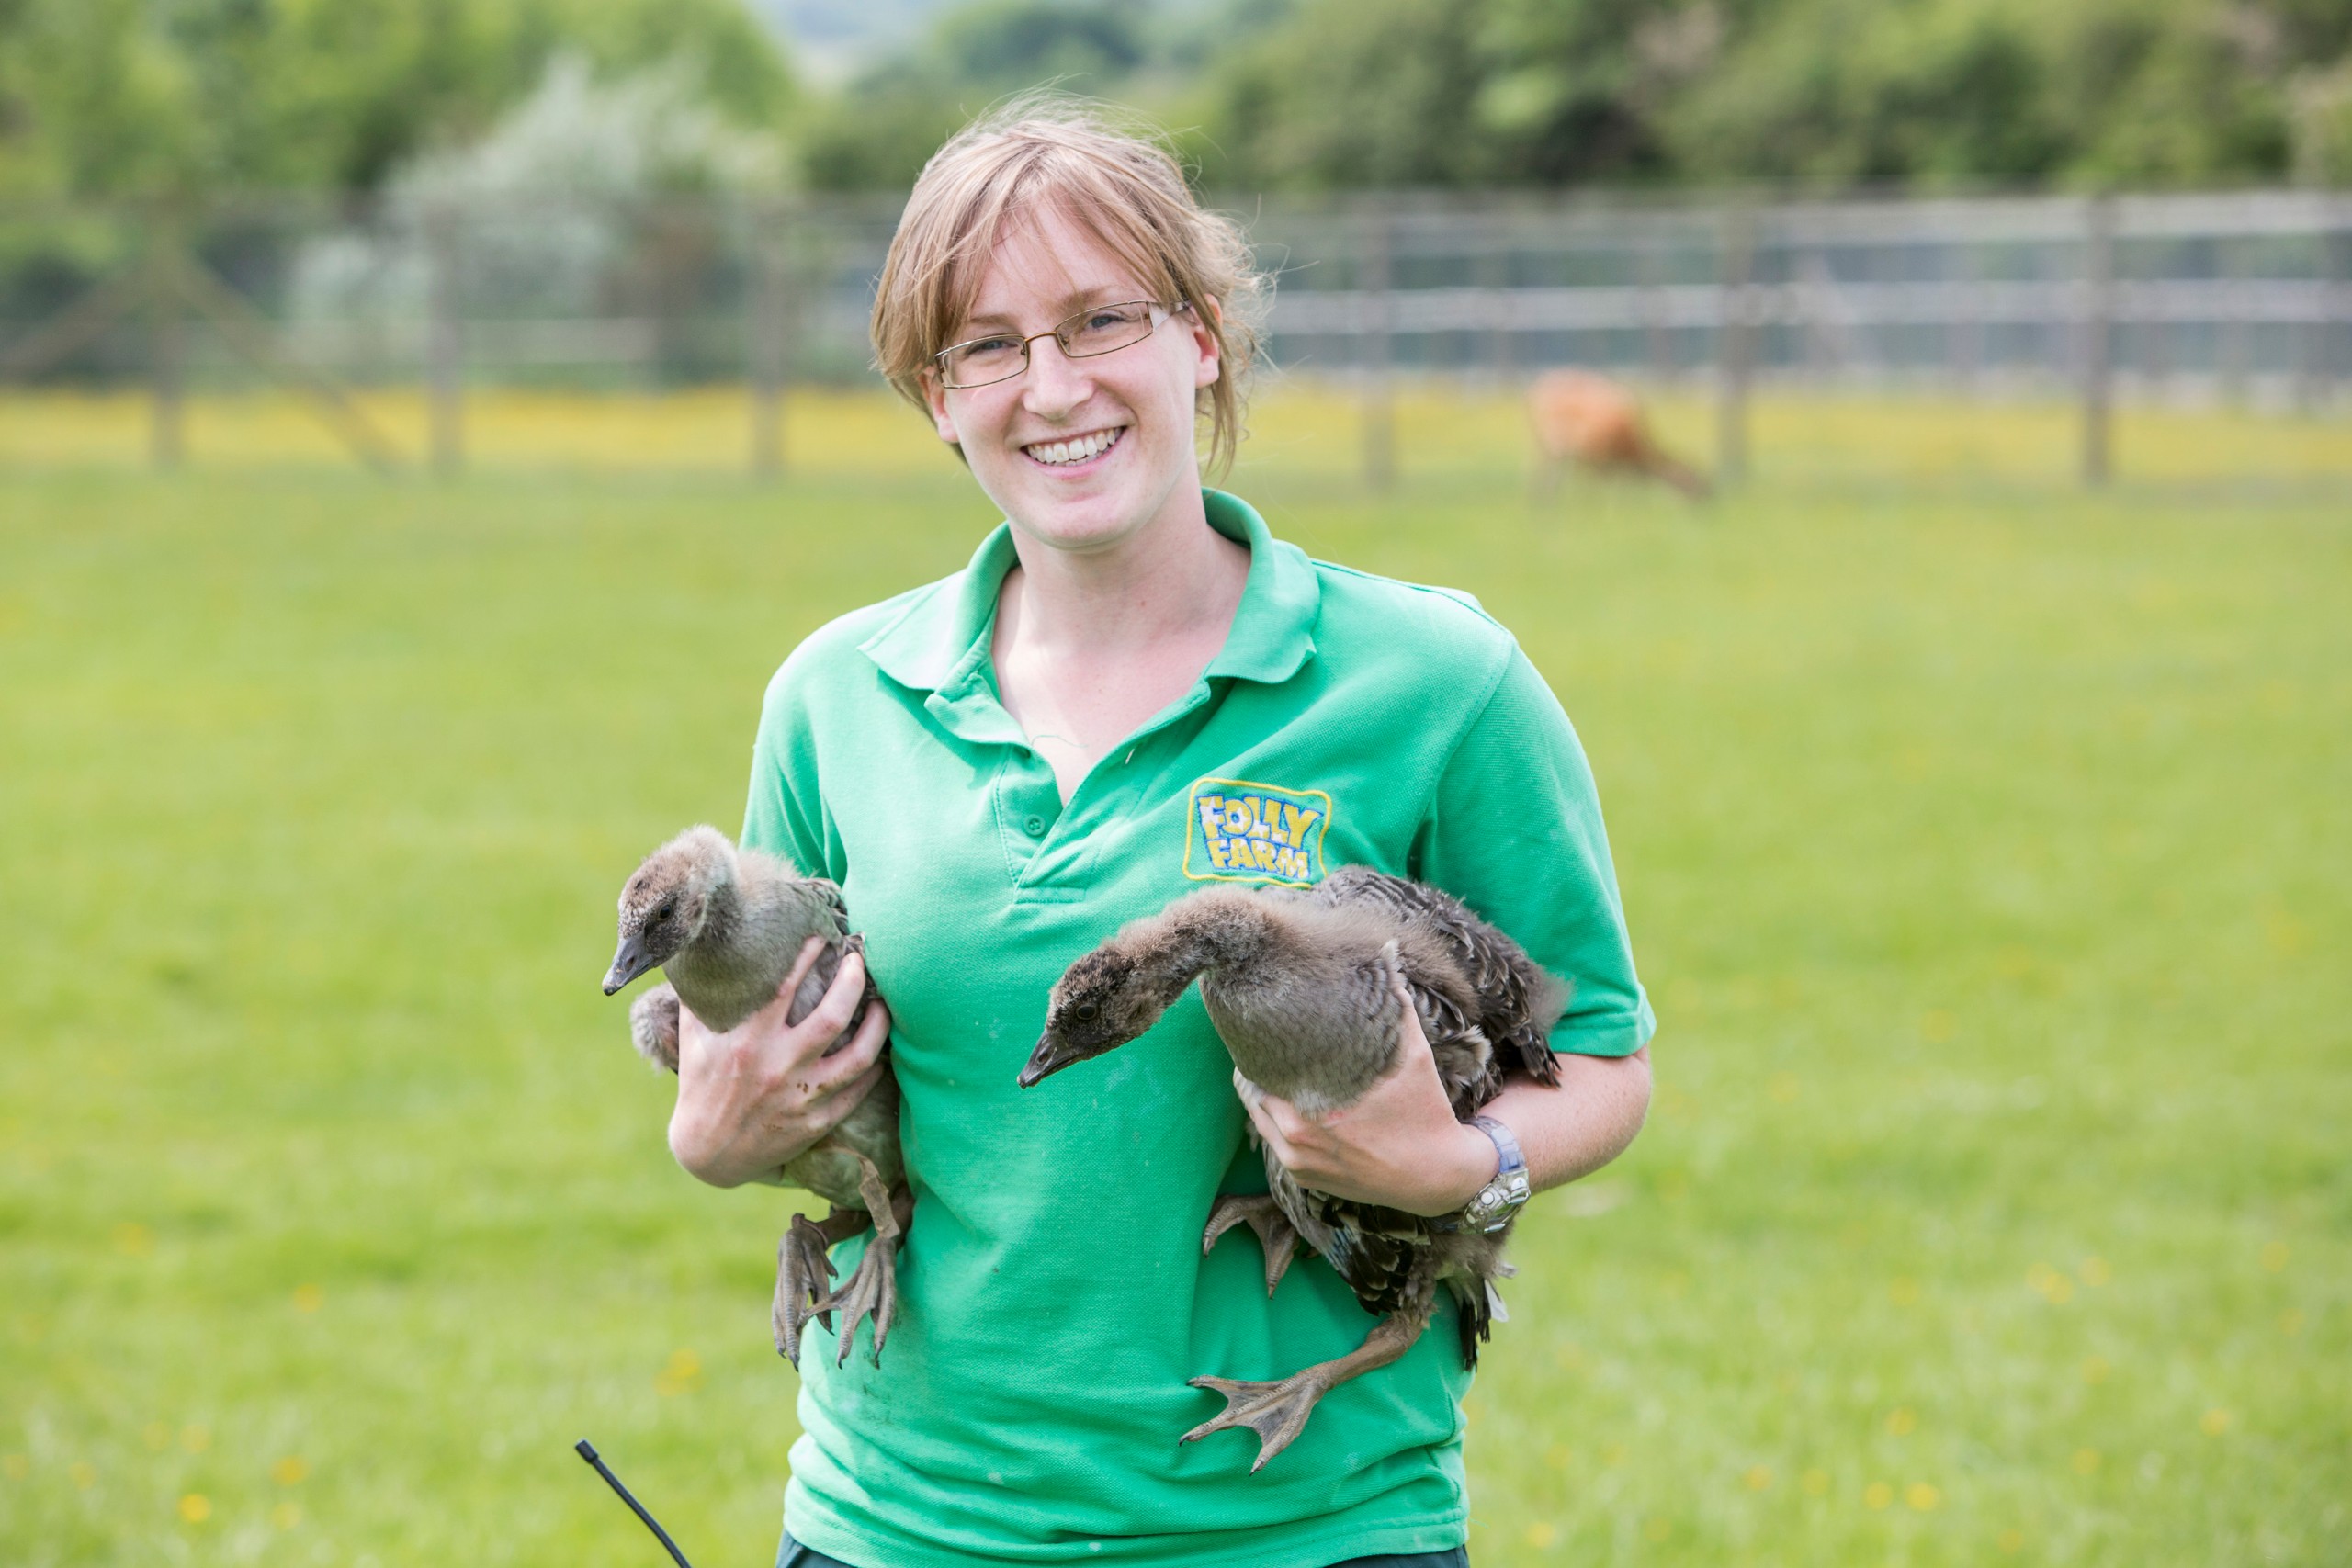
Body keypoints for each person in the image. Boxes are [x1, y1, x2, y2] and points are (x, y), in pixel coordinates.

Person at [664, 102, 1656, 1568]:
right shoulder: (837, 699)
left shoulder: (1434, 685)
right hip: (894, 1528)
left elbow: (1606, 1062)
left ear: (1199, 334)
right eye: (985, 346)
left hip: (1311, 1531)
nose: (1050, 386)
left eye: (1098, 320)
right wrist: (712, 1137)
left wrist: (1463, 1170)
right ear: (936, 398)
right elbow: (752, 1066)